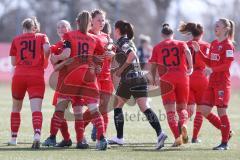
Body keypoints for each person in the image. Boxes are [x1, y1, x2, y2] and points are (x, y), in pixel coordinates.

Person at [49, 11, 108, 150]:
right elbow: (101, 57)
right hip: (89, 76)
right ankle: (100, 138)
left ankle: (52, 137)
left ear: (76, 22)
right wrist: (98, 68)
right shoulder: (95, 39)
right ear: (90, 23)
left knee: (61, 108)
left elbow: (67, 53)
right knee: (93, 109)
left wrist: (55, 58)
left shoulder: (69, 36)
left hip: (73, 76)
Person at [109, 20, 167, 150]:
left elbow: (131, 55)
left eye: (114, 29)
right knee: (145, 107)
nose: (113, 31)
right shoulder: (129, 41)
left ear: (117, 30)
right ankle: (160, 133)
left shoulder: (123, 42)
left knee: (117, 106)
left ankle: (119, 138)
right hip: (139, 78)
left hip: (129, 79)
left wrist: (120, 69)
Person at [192, 18, 235, 150]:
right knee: (204, 111)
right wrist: (199, 52)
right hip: (212, 83)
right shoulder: (214, 43)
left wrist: (212, 69)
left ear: (226, 29)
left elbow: (227, 65)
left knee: (222, 112)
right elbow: (209, 62)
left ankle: (224, 143)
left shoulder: (228, 45)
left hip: (222, 84)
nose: (215, 28)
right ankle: (227, 132)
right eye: (215, 25)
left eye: (218, 26)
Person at [9, 17, 50, 149]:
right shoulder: (42, 36)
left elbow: (13, 63)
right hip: (36, 75)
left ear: (23, 28)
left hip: (19, 75)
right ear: (35, 27)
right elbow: (47, 49)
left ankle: (13, 138)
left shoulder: (16, 39)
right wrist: (44, 61)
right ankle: (37, 135)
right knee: (36, 109)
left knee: (16, 107)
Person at [149, 23, 193, 147]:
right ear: (172, 34)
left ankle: (177, 137)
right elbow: (188, 52)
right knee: (182, 108)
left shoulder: (157, 47)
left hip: (166, 80)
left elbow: (152, 64)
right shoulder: (181, 43)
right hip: (182, 77)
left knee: (170, 112)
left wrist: (153, 77)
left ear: (162, 35)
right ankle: (183, 124)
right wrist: (191, 67)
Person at [82, 10, 114, 142]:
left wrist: (112, 54)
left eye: (103, 20)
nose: (101, 22)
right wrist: (94, 60)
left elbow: (112, 53)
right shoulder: (86, 36)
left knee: (105, 108)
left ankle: (102, 136)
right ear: (91, 21)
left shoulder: (107, 36)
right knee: (93, 108)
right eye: (98, 20)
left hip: (106, 76)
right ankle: (81, 130)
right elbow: (83, 56)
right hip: (93, 76)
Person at [42, 20, 72, 147]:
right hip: (63, 82)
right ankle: (67, 139)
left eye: (63, 26)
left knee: (89, 110)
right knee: (60, 111)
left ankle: (54, 137)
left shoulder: (72, 41)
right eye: (58, 27)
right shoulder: (57, 45)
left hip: (74, 82)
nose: (60, 29)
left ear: (69, 28)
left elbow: (67, 57)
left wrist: (60, 58)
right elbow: (56, 65)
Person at [178, 22, 210, 143]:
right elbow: (209, 62)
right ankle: (195, 137)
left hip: (187, 76)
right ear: (202, 33)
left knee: (188, 109)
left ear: (191, 32)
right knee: (200, 110)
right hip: (201, 77)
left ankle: (184, 124)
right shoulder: (206, 45)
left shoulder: (185, 44)